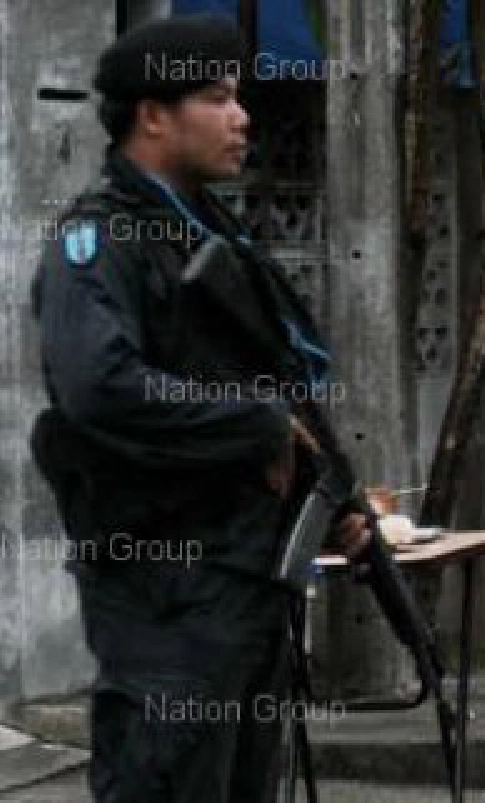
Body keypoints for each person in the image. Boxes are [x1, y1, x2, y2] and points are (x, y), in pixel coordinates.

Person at [30, 15, 365, 802]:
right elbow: (97, 386)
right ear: (153, 115)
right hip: (165, 603)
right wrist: (252, 425)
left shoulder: (212, 237)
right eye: (216, 98)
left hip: (243, 595)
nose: (242, 116)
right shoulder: (101, 239)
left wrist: (334, 493)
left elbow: (279, 381)